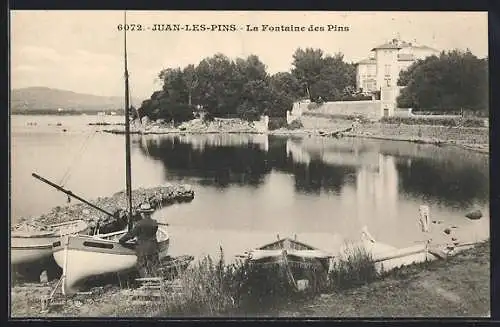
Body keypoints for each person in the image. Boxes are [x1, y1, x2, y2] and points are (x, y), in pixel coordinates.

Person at [119, 202, 160, 278]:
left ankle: (146, 281)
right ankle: (154, 278)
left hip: (142, 248)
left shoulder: (139, 224)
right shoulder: (155, 223)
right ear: (150, 213)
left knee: (141, 265)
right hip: (154, 247)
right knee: (153, 265)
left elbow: (131, 234)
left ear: (142, 213)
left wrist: (121, 240)